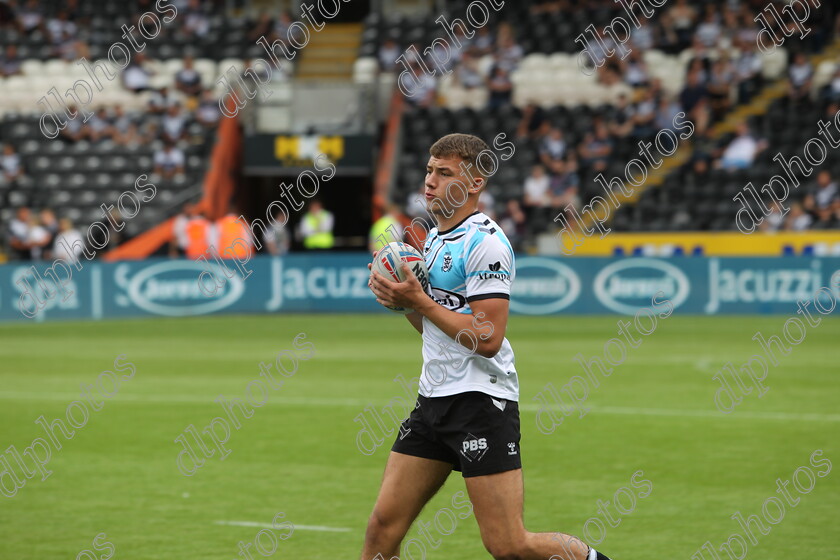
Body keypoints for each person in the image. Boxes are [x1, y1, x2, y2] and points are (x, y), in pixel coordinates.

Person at [363, 133, 614, 560]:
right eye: (429, 170)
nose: (430, 181)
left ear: (474, 182)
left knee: (509, 545)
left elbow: (487, 338)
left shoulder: (486, 242)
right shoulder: (435, 240)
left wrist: (419, 300)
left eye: (444, 173)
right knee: (381, 531)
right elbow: (437, 330)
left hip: (480, 403)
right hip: (433, 402)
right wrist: (400, 303)